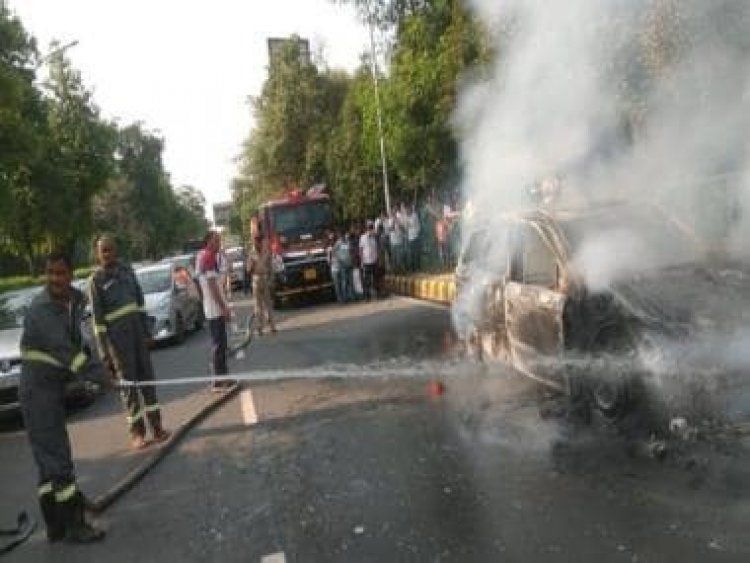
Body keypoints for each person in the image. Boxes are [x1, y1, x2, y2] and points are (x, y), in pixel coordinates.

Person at [20, 251, 106, 544]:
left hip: (50, 389)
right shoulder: (42, 309)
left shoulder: (71, 302)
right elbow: (67, 353)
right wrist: (105, 379)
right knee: (57, 459)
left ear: (71, 274)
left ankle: (55, 526)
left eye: (60, 273)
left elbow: (79, 344)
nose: (54, 279)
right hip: (38, 392)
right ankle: (75, 526)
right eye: (50, 273)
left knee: (47, 462)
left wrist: (99, 368)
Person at [90, 236, 170, 449]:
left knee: (148, 384)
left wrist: (147, 332)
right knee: (129, 390)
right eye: (103, 251)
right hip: (118, 345)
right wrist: (105, 354)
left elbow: (140, 304)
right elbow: (98, 324)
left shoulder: (127, 271)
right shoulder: (96, 281)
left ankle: (158, 427)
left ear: (116, 251)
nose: (107, 254)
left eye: (110, 250)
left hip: (138, 338)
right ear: (98, 254)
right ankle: (137, 433)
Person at [196, 231, 233, 391]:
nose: (219, 244)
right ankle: (219, 380)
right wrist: (224, 307)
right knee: (219, 345)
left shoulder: (203, 256)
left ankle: (222, 378)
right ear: (209, 242)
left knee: (220, 344)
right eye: (217, 241)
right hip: (214, 308)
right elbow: (212, 286)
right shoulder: (208, 257)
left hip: (212, 307)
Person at [247, 233, 277, 335]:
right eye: (256, 241)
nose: (257, 243)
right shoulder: (251, 253)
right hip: (256, 279)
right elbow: (248, 270)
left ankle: (272, 326)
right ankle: (260, 327)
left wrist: (271, 278)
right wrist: (252, 265)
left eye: (259, 241)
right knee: (258, 305)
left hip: (265, 278)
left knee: (268, 303)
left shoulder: (266, 252)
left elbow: (270, 266)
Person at [359, 221, 379, 300]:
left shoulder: (374, 238)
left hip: (374, 261)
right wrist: (362, 261)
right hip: (366, 262)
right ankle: (367, 296)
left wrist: (377, 258)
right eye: (369, 228)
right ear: (367, 229)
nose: (371, 230)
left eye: (371, 228)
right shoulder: (363, 238)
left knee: (375, 278)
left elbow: (376, 249)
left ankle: (377, 294)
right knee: (367, 280)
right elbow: (360, 250)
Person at [406, 203, 421, 272]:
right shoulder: (407, 217)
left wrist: (407, 222)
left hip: (415, 236)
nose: (407, 211)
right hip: (410, 238)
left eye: (408, 209)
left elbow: (412, 224)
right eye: (407, 210)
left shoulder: (414, 215)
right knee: (411, 253)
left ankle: (418, 267)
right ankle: (413, 268)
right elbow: (406, 227)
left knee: (416, 253)